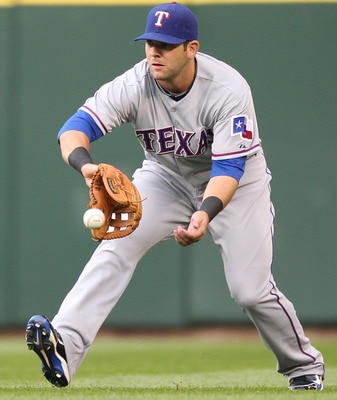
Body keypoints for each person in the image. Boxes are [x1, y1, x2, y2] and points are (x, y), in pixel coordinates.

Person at [25, 2, 324, 391]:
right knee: (117, 247)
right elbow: (74, 128)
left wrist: (205, 213)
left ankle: (303, 365)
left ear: (191, 48)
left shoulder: (228, 89)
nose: (154, 52)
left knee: (249, 289)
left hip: (235, 182)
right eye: (150, 42)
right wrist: (86, 166)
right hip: (164, 176)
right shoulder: (135, 83)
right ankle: (65, 343)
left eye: (165, 45)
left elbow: (229, 170)